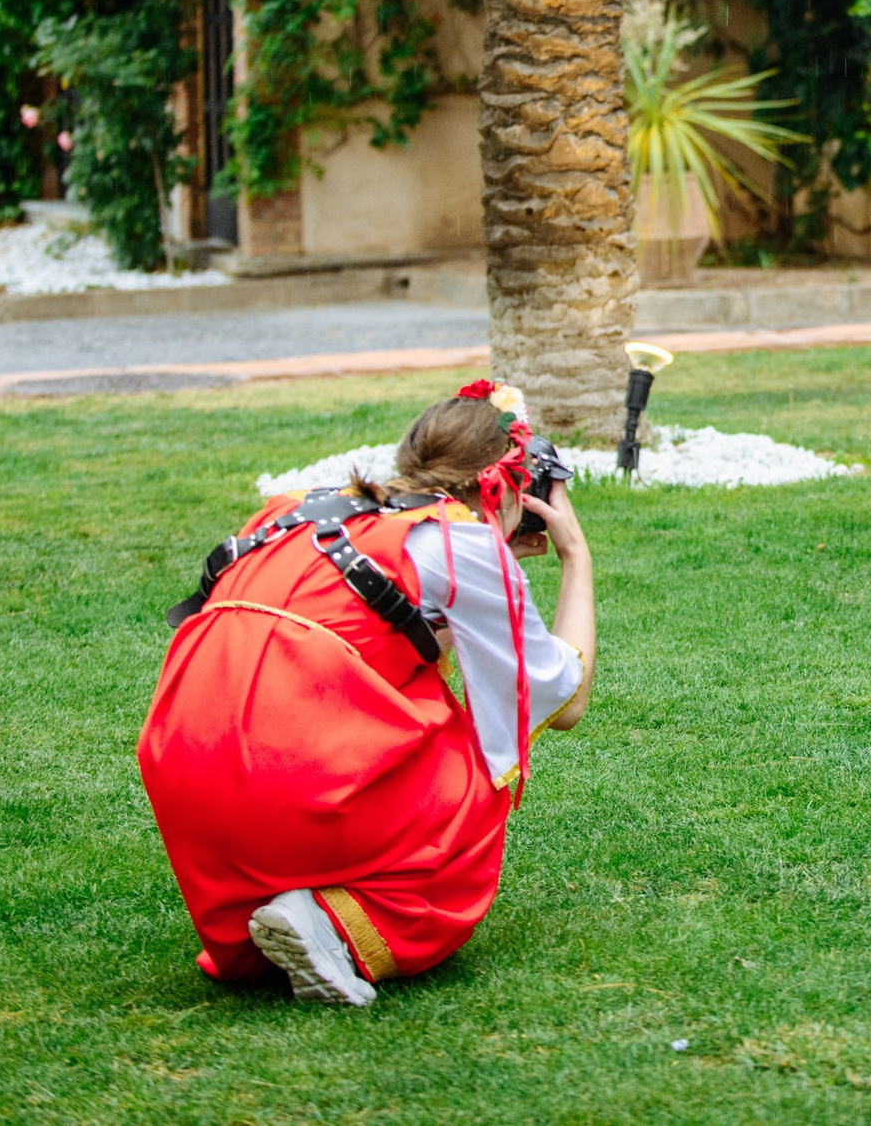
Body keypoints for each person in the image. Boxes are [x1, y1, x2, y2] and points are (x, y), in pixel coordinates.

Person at [137, 380, 596, 1004]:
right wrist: (576, 557)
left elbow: (377, 639)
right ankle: (340, 930)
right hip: (294, 774)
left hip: (184, 760)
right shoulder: (465, 543)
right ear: (506, 488)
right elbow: (563, 701)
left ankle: (283, 915)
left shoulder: (293, 508)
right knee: (475, 763)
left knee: (410, 699)